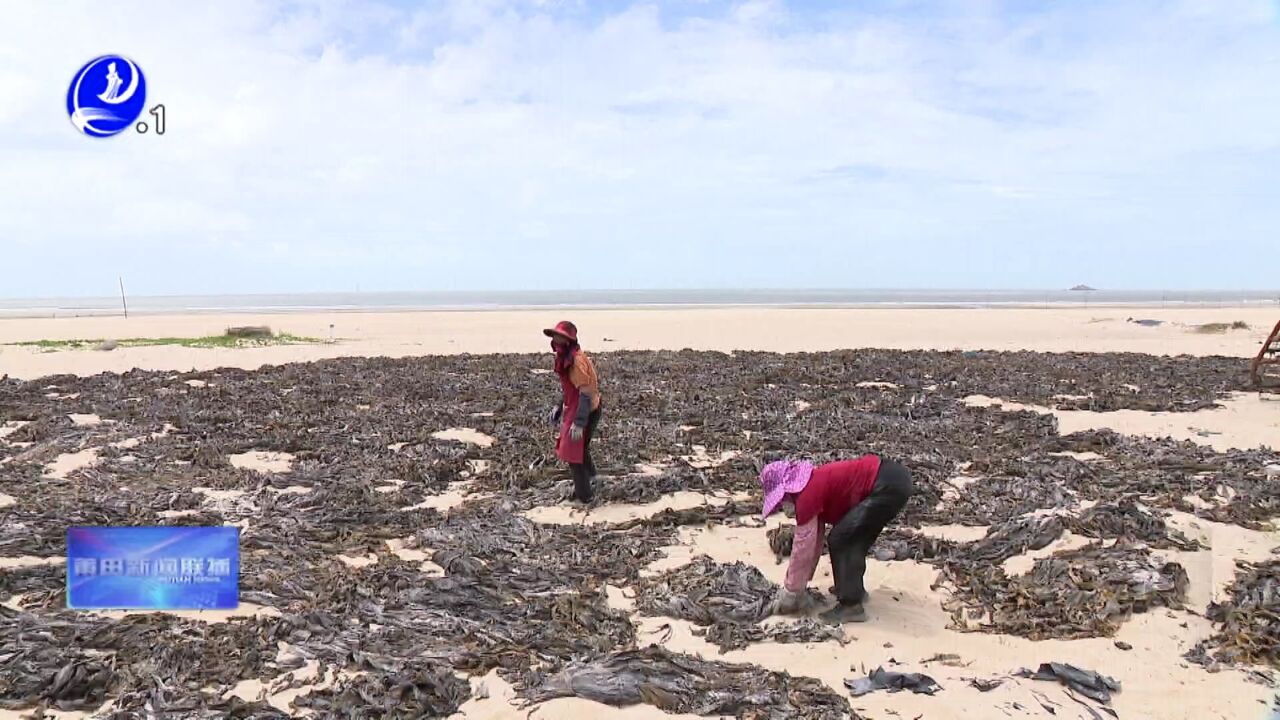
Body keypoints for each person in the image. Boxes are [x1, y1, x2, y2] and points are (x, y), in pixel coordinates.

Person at [758, 454, 913, 624]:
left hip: (885, 485)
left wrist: (791, 591)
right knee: (854, 538)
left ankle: (851, 606)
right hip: (893, 478)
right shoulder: (813, 482)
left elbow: (803, 547)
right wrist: (801, 584)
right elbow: (814, 540)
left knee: (842, 540)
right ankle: (853, 590)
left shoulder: (807, 497)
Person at [544, 321, 603, 503]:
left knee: (572, 453)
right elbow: (571, 389)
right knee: (580, 448)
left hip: (586, 409)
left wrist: (579, 423)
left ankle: (585, 496)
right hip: (575, 406)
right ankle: (593, 478)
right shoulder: (565, 358)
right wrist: (559, 406)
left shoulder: (576, 361)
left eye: (560, 336)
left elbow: (585, 393)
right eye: (554, 335)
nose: (556, 339)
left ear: (569, 340)